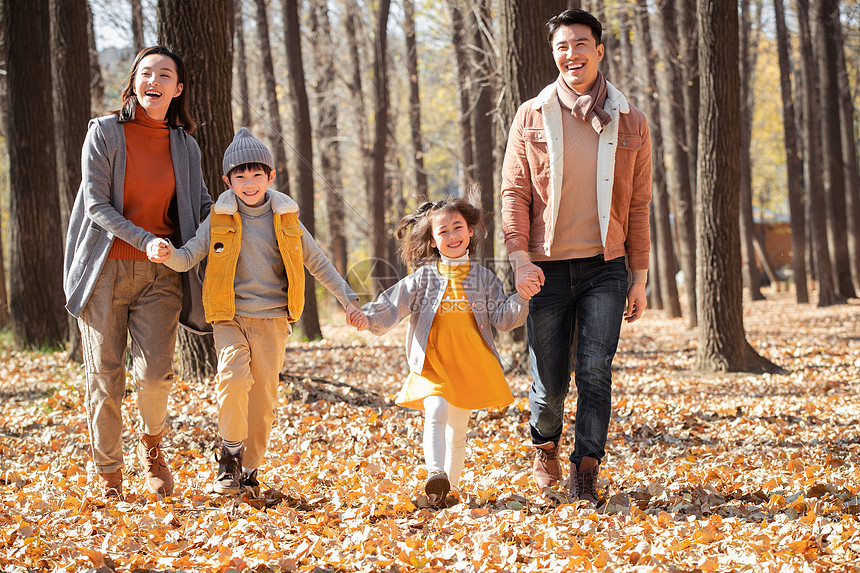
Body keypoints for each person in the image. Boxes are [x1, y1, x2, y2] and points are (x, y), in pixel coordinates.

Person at [147, 128, 367, 494]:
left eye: (256, 175)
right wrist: (167, 253)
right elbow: (189, 258)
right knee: (232, 378)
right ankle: (230, 455)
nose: (248, 183)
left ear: (270, 176)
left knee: (263, 400)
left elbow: (318, 262)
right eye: (240, 176)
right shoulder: (219, 217)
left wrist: (349, 300)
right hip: (229, 315)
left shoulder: (285, 217)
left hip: (273, 319)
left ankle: (248, 470)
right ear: (227, 180)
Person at [500, 9, 652, 504]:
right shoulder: (531, 115)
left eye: (581, 44)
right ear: (553, 53)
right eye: (562, 46)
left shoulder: (631, 120)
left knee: (594, 368)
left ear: (600, 49)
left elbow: (638, 204)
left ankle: (585, 468)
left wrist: (640, 275)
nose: (572, 54)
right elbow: (514, 192)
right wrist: (520, 259)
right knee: (548, 376)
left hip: (605, 267)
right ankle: (544, 445)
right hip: (544, 269)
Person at [64, 46, 213, 498]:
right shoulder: (105, 133)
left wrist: (237, 207)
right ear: (133, 82)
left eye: (164, 74)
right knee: (105, 377)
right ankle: (109, 473)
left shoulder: (185, 145)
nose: (154, 80)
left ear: (177, 88)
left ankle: (152, 447)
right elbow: (96, 204)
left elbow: (202, 204)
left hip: (161, 276)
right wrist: (143, 239)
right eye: (146, 72)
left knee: (153, 376)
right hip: (104, 272)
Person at [351, 193, 528, 506]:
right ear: (432, 241)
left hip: (469, 363)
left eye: (457, 227)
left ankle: (449, 492)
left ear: (470, 232)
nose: (452, 235)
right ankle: (435, 472)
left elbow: (502, 318)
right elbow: (393, 304)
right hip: (433, 361)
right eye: (442, 231)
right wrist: (366, 318)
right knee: (435, 410)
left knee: (458, 431)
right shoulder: (423, 278)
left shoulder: (484, 278)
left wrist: (523, 298)